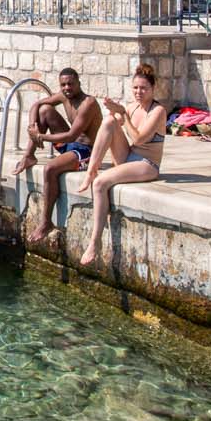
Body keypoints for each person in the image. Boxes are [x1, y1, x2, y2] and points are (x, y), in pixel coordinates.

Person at [78, 63, 169, 268]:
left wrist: (124, 115)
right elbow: (112, 125)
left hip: (146, 163)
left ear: (152, 89)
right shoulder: (132, 106)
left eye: (143, 88)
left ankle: (95, 242)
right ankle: (91, 169)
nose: (138, 92)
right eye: (135, 88)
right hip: (128, 157)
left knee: (101, 184)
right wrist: (115, 112)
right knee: (108, 122)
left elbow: (138, 139)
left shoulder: (158, 111)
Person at [8, 68, 104, 245]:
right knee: (45, 110)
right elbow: (37, 105)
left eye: (70, 84)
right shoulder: (63, 96)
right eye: (63, 84)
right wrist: (32, 127)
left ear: (79, 83)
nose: (67, 88)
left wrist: (40, 136)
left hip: (86, 152)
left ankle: (46, 222)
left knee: (50, 169)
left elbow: (71, 136)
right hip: (70, 145)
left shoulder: (88, 104)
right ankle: (29, 155)